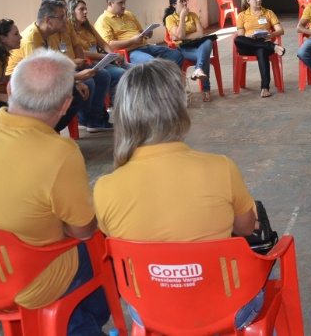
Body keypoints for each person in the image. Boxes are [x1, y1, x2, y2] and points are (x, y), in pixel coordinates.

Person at [0, 50, 111, 336]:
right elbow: (82, 232)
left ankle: (79, 320)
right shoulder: (60, 152)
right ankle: (78, 323)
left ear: (9, 89)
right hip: (23, 283)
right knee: (103, 244)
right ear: (66, 104)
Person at [93, 60, 261, 331]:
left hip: (149, 311)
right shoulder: (220, 167)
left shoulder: (104, 188)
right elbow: (245, 228)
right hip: (225, 308)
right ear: (177, 109)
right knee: (266, 268)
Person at [9, 0, 108, 133]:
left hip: (40, 79)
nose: (65, 20)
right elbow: (40, 77)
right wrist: (76, 78)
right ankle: (48, 130)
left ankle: (92, 120)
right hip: (25, 85)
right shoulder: (31, 39)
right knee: (75, 92)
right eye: (62, 17)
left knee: (90, 81)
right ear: (48, 21)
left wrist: (76, 80)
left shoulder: (48, 34)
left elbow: (53, 67)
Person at [94, 0, 184, 68]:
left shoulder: (129, 14)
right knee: (152, 64)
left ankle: (170, 83)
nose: (124, 6)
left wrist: (147, 33)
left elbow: (141, 32)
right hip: (129, 52)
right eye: (120, 3)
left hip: (145, 46)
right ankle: (159, 84)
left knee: (176, 55)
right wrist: (132, 41)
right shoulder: (103, 21)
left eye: (124, 2)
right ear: (110, 3)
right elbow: (109, 45)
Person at [68, 0, 128, 96]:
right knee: (121, 73)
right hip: (89, 63)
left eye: (86, 9)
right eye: (81, 9)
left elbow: (102, 43)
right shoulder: (69, 30)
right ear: (72, 12)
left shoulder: (87, 27)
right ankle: (114, 104)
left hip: (101, 61)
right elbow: (83, 53)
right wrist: (106, 57)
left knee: (131, 69)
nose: (85, 12)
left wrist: (113, 55)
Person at [163, 0, 215, 102]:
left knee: (208, 41)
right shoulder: (170, 19)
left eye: (185, 0)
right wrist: (182, 17)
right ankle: (206, 89)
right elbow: (180, 35)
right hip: (183, 49)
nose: (185, 3)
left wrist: (183, 37)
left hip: (197, 45)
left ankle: (198, 69)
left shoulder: (193, 15)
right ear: (174, 5)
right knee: (204, 56)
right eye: (181, 1)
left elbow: (200, 33)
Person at [235, 0, 286, 98]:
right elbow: (240, 34)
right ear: (248, 1)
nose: (259, 0)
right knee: (237, 39)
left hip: (262, 42)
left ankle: (265, 87)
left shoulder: (268, 13)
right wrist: (248, 36)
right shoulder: (242, 15)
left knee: (261, 51)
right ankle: (273, 47)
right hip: (248, 44)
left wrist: (271, 35)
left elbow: (280, 30)